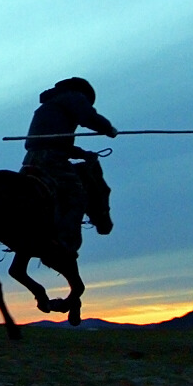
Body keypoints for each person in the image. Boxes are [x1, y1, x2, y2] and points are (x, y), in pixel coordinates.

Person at [21, 77, 117, 258]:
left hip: (31, 159)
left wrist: (82, 154)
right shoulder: (73, 97)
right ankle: (64, 242)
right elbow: (88, 117)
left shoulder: (48, 106)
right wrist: (108, 128)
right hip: (51, 159)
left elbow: (56, 141)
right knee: (77, 194)